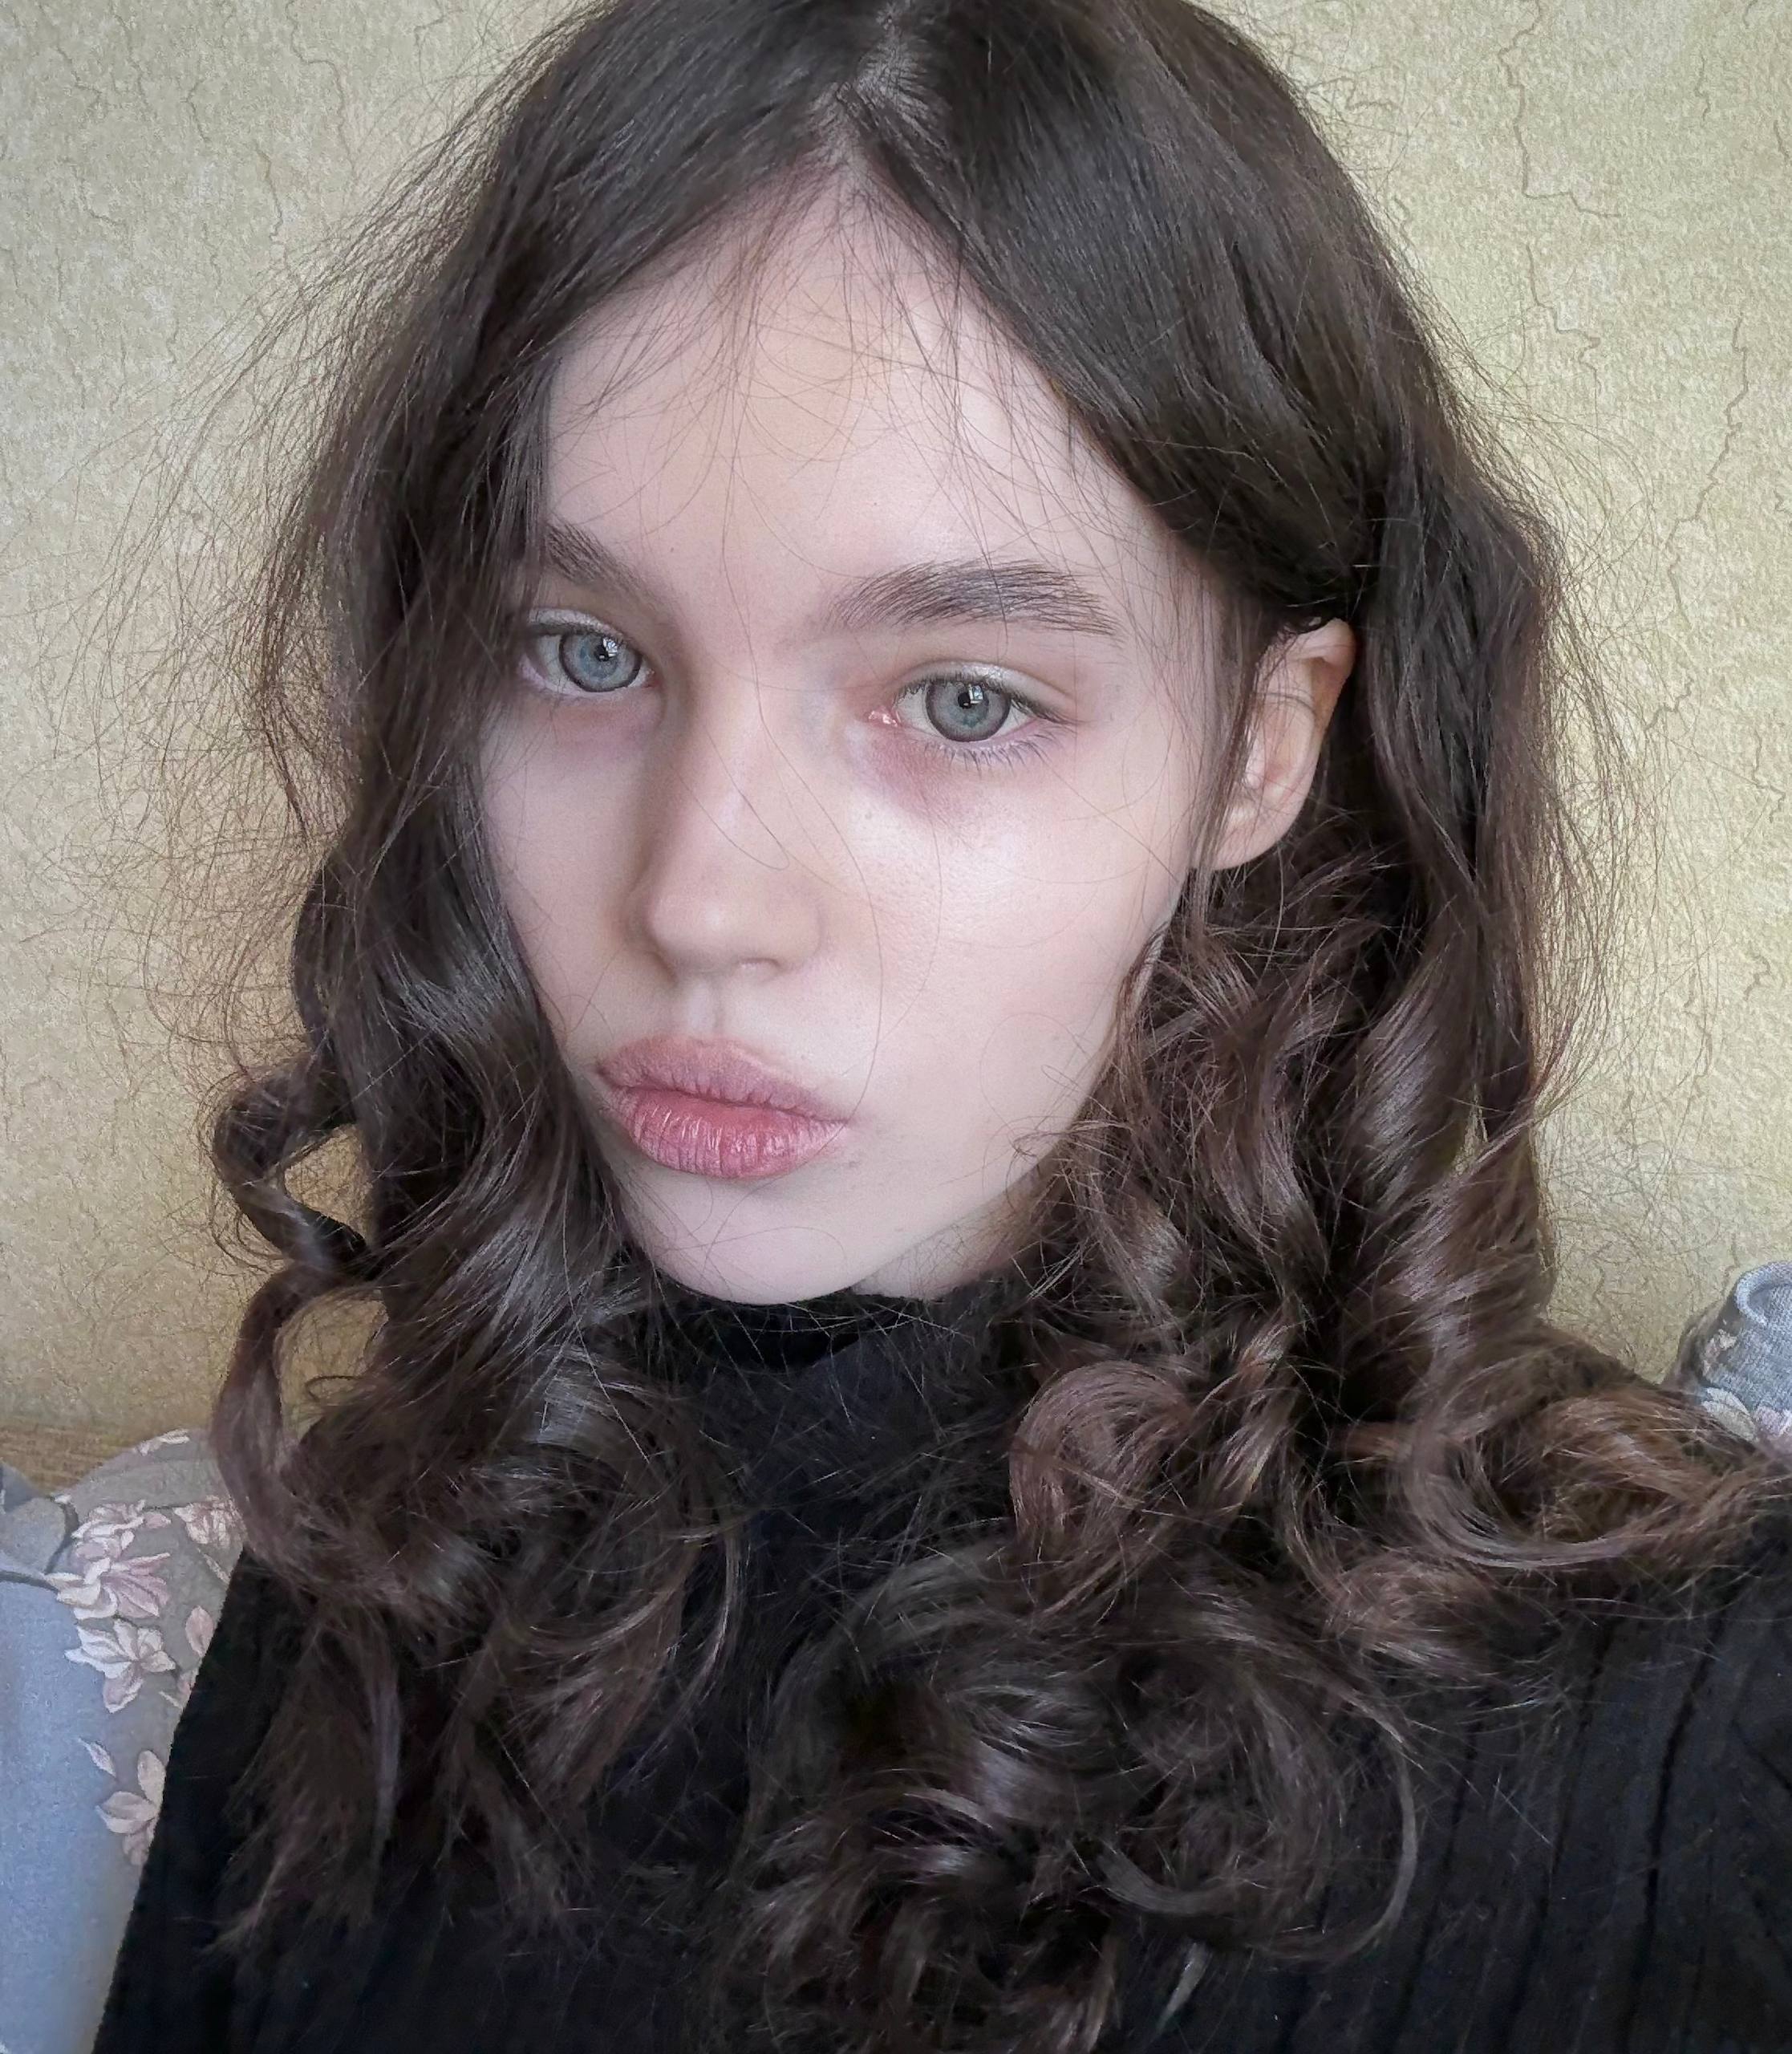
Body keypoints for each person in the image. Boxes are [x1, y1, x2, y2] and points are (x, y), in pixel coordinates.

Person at [90, 1, 1792, 2048]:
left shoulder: (1696, 1730)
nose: (698, 899)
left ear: (1261, 745)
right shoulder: (373, 1558)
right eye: (580, 650)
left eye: (962, 696)